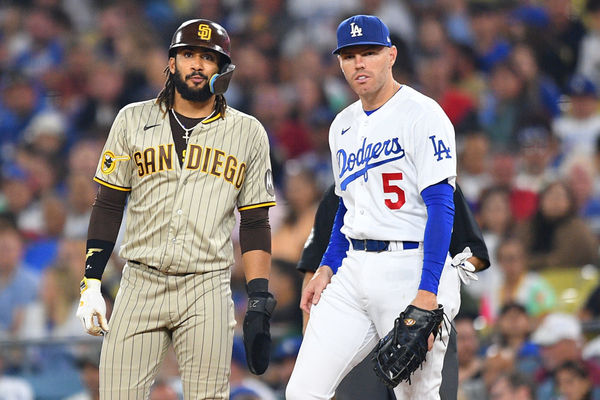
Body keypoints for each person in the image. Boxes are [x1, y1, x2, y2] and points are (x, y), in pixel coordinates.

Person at [75, 19, 277, 399]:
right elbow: (108, 204)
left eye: (208, 57)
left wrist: (259, 296)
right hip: (139, 280)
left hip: (207, 284)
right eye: (188, 55)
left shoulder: (248, 132)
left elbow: (254, 220)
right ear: (171, 63)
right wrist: (91, 283)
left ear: (223, 69)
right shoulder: (132, 119)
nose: (197, 65)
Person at [286, 15, 464, 399]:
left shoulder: (423, 114)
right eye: (349, 56)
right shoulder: (341, 126)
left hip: (412, 264)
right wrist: (327, 267)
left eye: (369, 53)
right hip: (354, 269)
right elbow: (347, 209)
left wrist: (427, 291)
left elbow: (441, 207)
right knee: (303, 391)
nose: (359, 63)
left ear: (391, 55)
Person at [295, 183, 490, 400]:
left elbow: (474, 253)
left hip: (421, 322)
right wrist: (311, 336)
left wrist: (442, 285)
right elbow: (314, 266)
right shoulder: (345, 184)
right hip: (356, 333)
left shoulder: (429, 173)